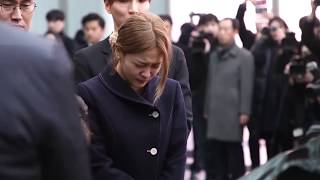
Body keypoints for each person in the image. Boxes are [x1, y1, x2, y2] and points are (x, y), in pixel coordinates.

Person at [77, 12, 188, 180]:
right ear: (119, 51)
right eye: (140, 65)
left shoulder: (171, 91)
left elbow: (177, 155)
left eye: (155, 66)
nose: (146, 73)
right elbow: (96, 162)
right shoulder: (90, 93)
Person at [73, 0, 193, 131]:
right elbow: (83, 121)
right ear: (108, 5)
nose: (134, 9)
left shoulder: (173, 54)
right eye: (124, 1)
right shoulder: (86, 58)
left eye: (141, 1)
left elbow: (183, 118)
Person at [0, 23, 91, 180]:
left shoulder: (45, 57)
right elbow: (68, 166)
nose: (18, 16)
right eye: (7, 4)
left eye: (25, 5)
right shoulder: (46, 56)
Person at [205, 18, 254, 180]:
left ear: (235, 32)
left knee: (234, 152)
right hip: (215, 110)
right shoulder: (214, 56)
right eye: (221, 29)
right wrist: (206, 108)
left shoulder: (244, 56)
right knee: (216, 153)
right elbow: (210, 84)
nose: (222, 33)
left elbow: (247, 85)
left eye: (226, 29)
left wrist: (244, 111)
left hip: (233, 111)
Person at [251, 16, 299, 159]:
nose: (274, 32)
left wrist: (286, 39)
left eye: (277, 28)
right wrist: (263, 37)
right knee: (270, 144)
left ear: (284, 28)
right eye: (271, 29)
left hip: (287, 102)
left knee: (287, 145)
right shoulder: (266, 47)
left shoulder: (292, 44)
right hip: (269, 103)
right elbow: (254, 55)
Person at [188, 13, 219, 178]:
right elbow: (192, 76)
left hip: (216, 102)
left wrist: (208, 53)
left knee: (215, 141)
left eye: (213, 24)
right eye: (206, 25)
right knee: (200, 138)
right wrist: (197, 52)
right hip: (199, 100)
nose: (209, 28)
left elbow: (217, 73)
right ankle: (200, 167)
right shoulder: (195, 46)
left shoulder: (220, 47)